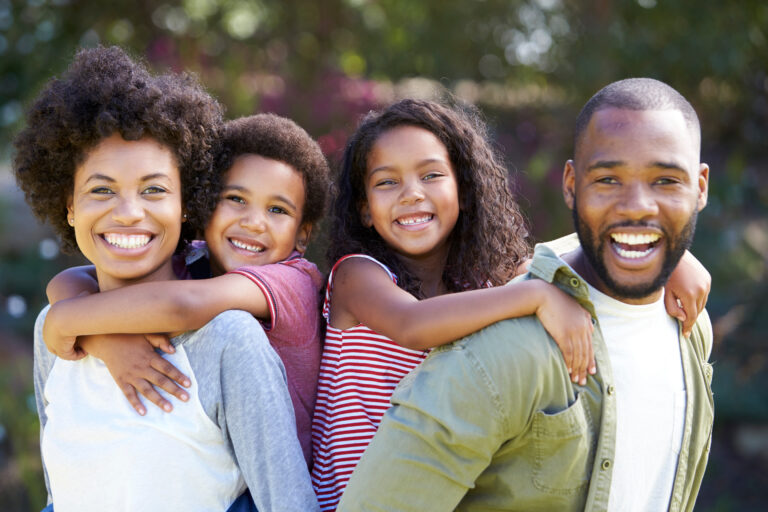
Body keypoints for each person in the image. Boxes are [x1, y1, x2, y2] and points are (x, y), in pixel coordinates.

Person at [311, 98, 709, 511]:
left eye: (431, 175)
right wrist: (534, 294)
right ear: (364, 210)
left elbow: (561, 255)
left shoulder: (478, 285)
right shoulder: (357, 275)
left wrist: (664, 255)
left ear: (464, 191)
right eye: (387, 182)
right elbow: (410, 324)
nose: (411, 194)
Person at [14, 46, 318, 511]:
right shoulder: (52, 331)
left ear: (186, 204)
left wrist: (69, 320)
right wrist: (78, 327)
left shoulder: (228, 340)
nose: (129, 213)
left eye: (154, 189)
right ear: (69, 206)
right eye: (101, 190)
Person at [41, 113, 330, 466]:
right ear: (204, 204)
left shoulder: (293, 282)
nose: (254, 222)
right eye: (236, 199)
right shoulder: (195, 259)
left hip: (266, 489)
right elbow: (72, 279)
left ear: (303, 234)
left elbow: (182, 307)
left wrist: (66, 321)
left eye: (277, 209)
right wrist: (104, 341)